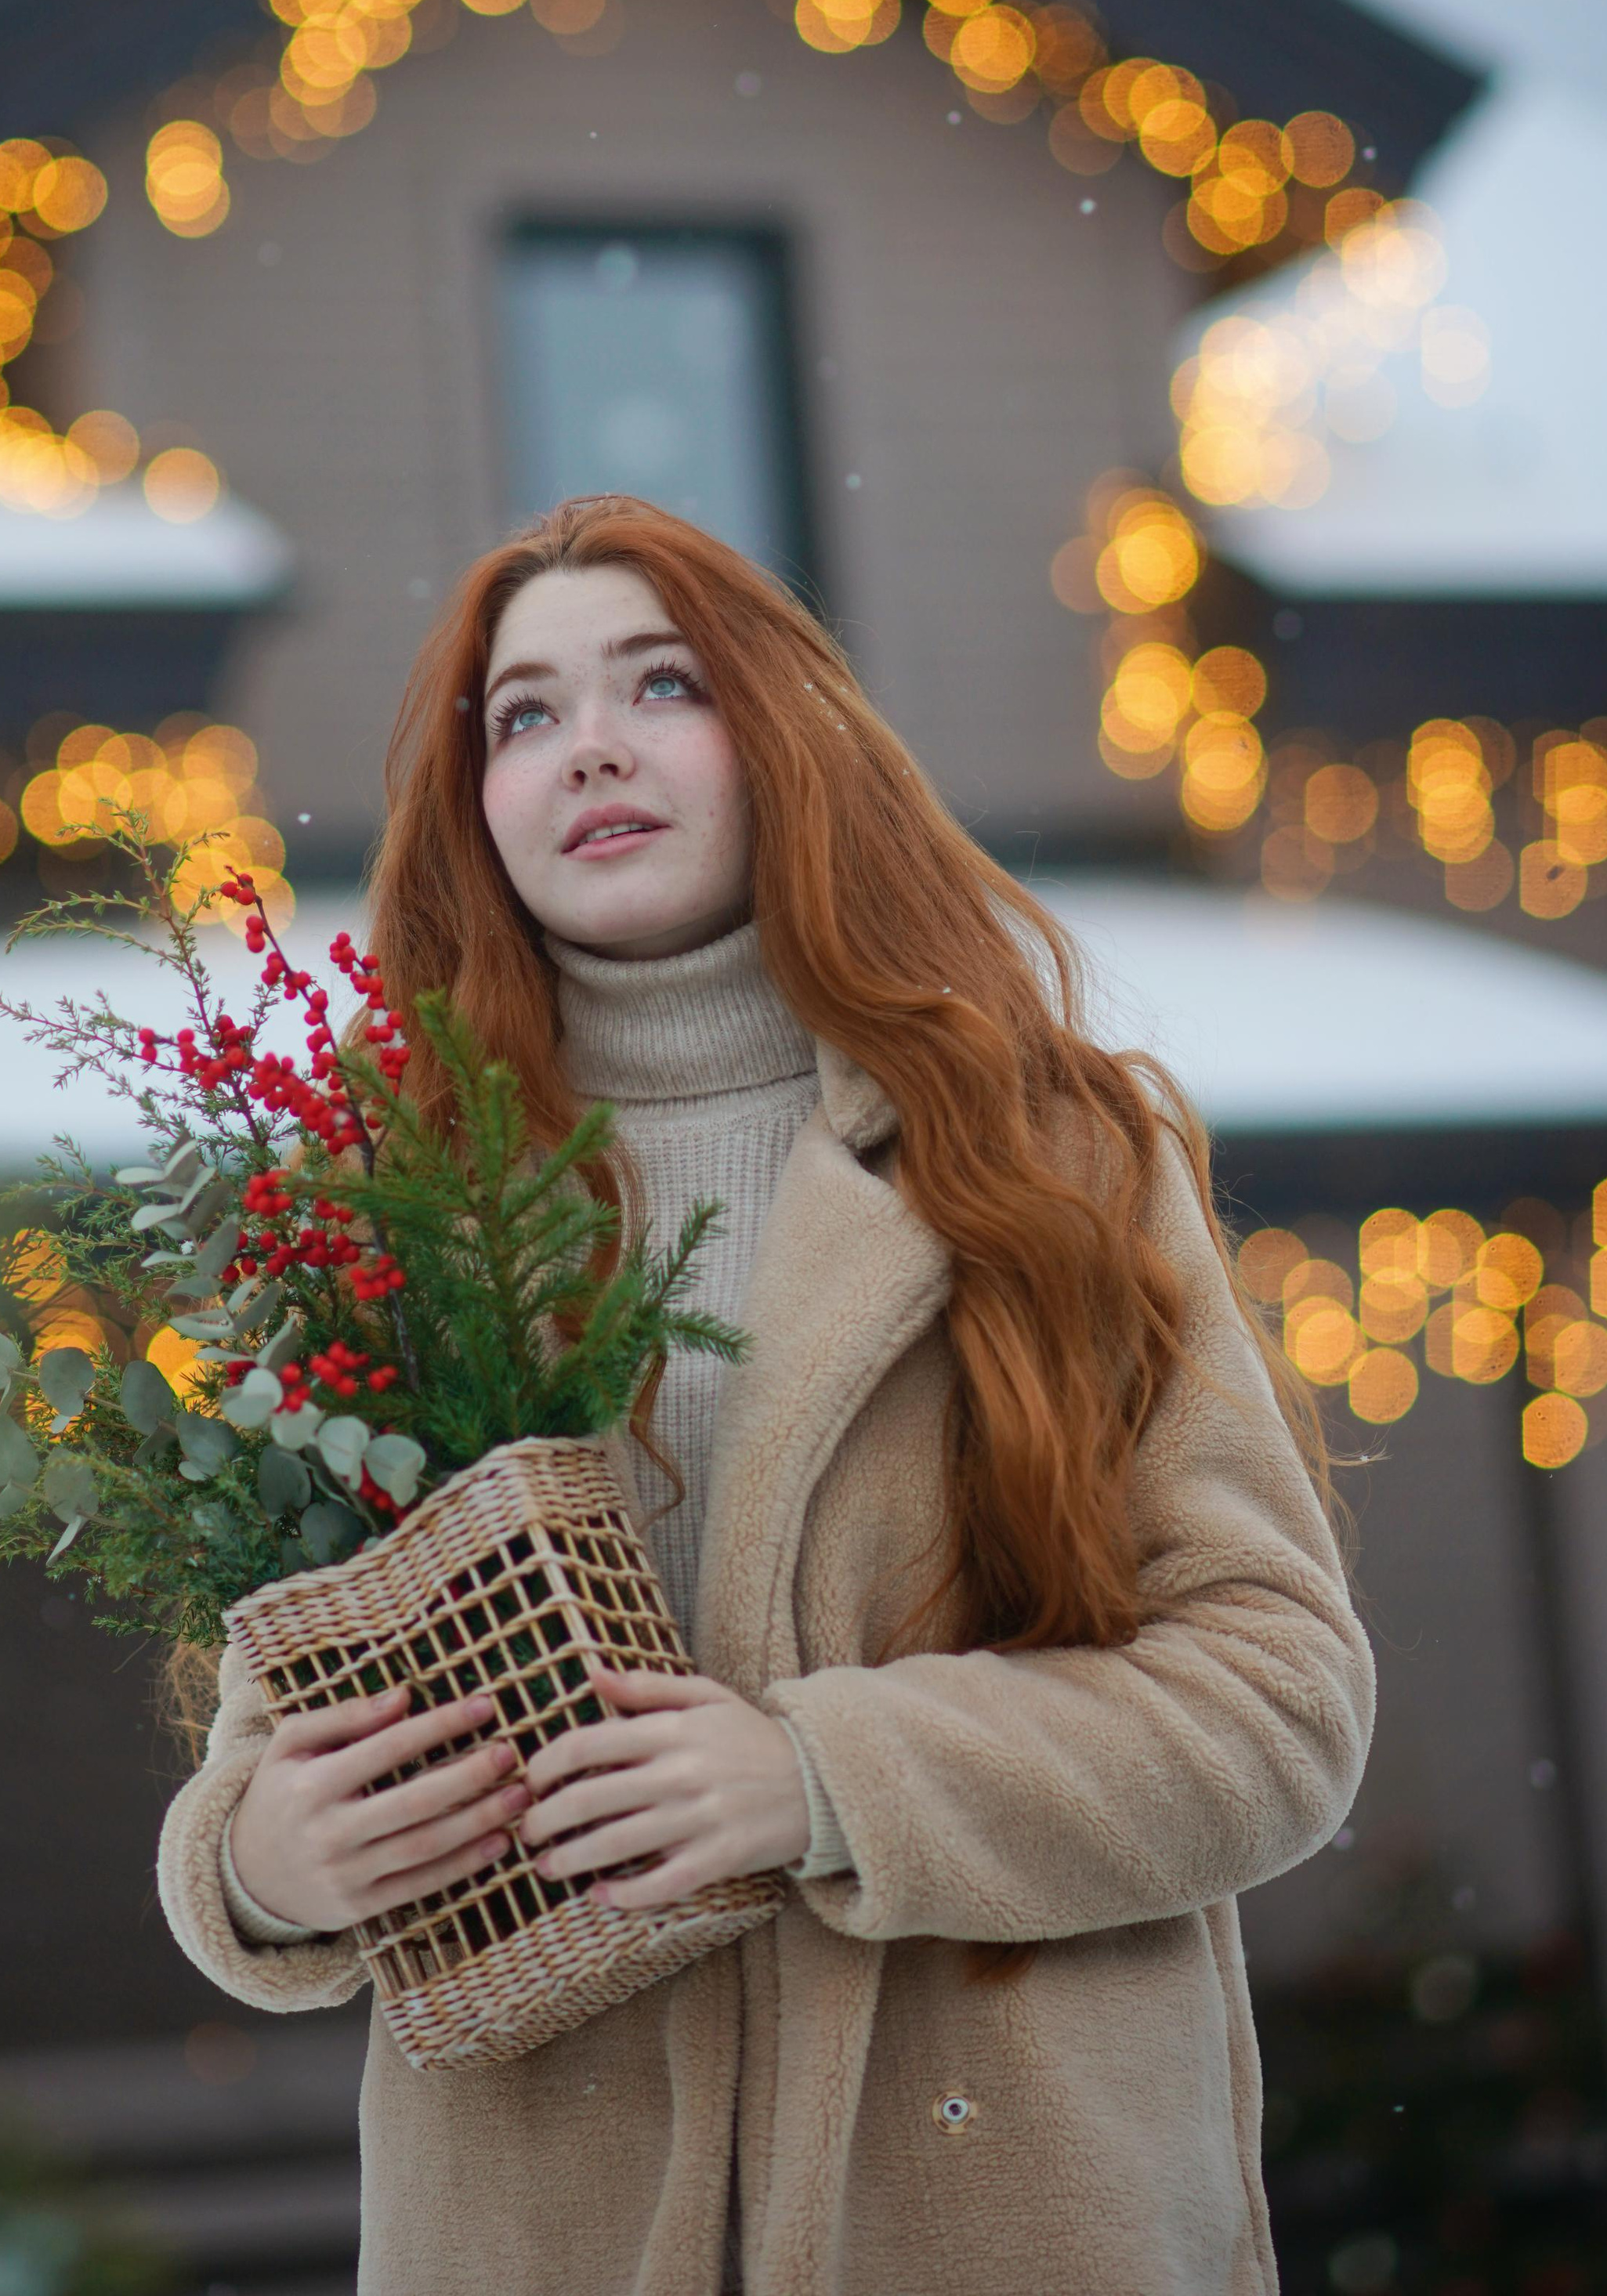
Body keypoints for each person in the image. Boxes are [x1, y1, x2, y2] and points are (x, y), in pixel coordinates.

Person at [159, 494, 1371, 2296]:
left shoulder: (1045, 1156)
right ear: (476, 801)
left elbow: (1275, 1706)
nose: (592, 745)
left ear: (785, 732)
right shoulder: (381, 1212)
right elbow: (265, 1753)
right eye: (526, 713)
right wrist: (264, 1863)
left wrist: (818, 1775)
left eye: (662, 683)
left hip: (1008, 2214)